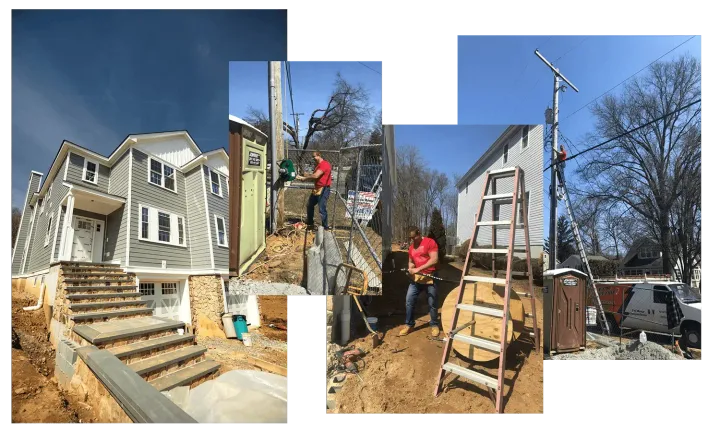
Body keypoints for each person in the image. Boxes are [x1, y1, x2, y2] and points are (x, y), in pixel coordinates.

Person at [399, 226, 440, 337]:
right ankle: (409, 325)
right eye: (411, 238)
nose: (413, 240)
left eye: (414, 237)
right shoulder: (411, 248)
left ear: (419, 233)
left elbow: (434, 259)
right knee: (409, 300)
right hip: (417, 279)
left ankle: (434, 324)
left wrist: (418, 269)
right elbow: (411, 261)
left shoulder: (429, 242)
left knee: (432, 303)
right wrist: (411, 268)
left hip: (430, 277)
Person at [296, 151, 332, 230]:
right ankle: (310, 222)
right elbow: (314, 177)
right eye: (312, 157)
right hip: (317, 188)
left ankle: (325, 227)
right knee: (310, 205)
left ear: (319, 155)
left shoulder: (324, 164)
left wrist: (305, 178)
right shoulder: (318, 165)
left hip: (324, 188)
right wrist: (304, 176)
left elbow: (316, 176)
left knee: (322, 208)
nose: (313, 158)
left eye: (314, 156)